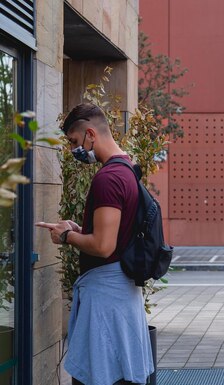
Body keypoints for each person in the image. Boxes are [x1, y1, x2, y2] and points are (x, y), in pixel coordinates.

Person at [37, 103, 153, 385]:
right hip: (119, 295)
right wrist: (79, 229)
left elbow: (103, 246)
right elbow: (112, 234)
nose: (75, 150)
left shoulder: (108, 178)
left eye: (75, 142)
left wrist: (66, 237)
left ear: (90, 133)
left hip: (106, 300)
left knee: (100, 377)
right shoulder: (126, 169)